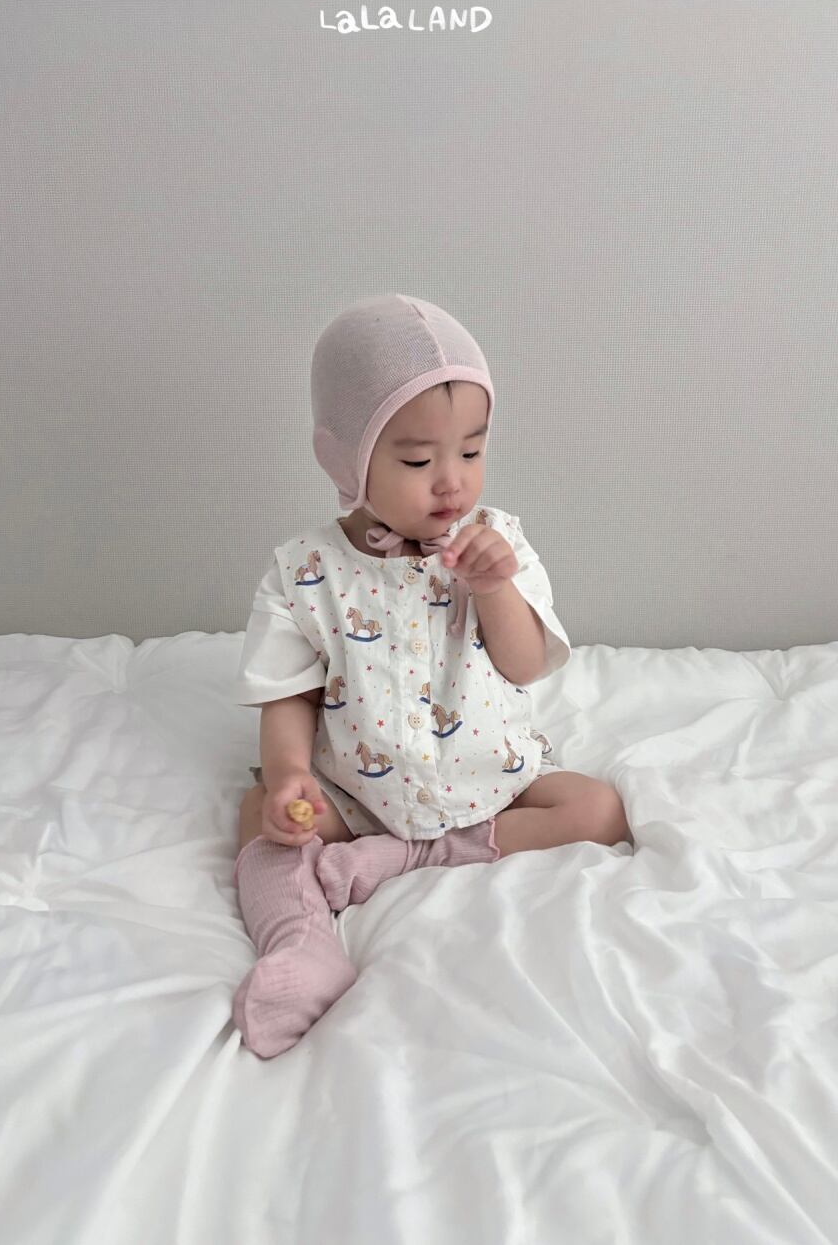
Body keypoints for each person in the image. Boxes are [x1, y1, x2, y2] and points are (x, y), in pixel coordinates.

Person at [231, 293, 631, 1058]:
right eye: (418, 460)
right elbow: (289, 694)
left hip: (487, 782)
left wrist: (494, 588)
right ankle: (300, 943)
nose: (452, 483)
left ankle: (411, 858)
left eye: (471, 453)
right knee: (259, 815)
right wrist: (289, 778)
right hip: (358, 792)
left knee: (599, 808)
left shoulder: (497, 543)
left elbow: (524, 664)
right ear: (345, 460)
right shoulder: (306, 571)